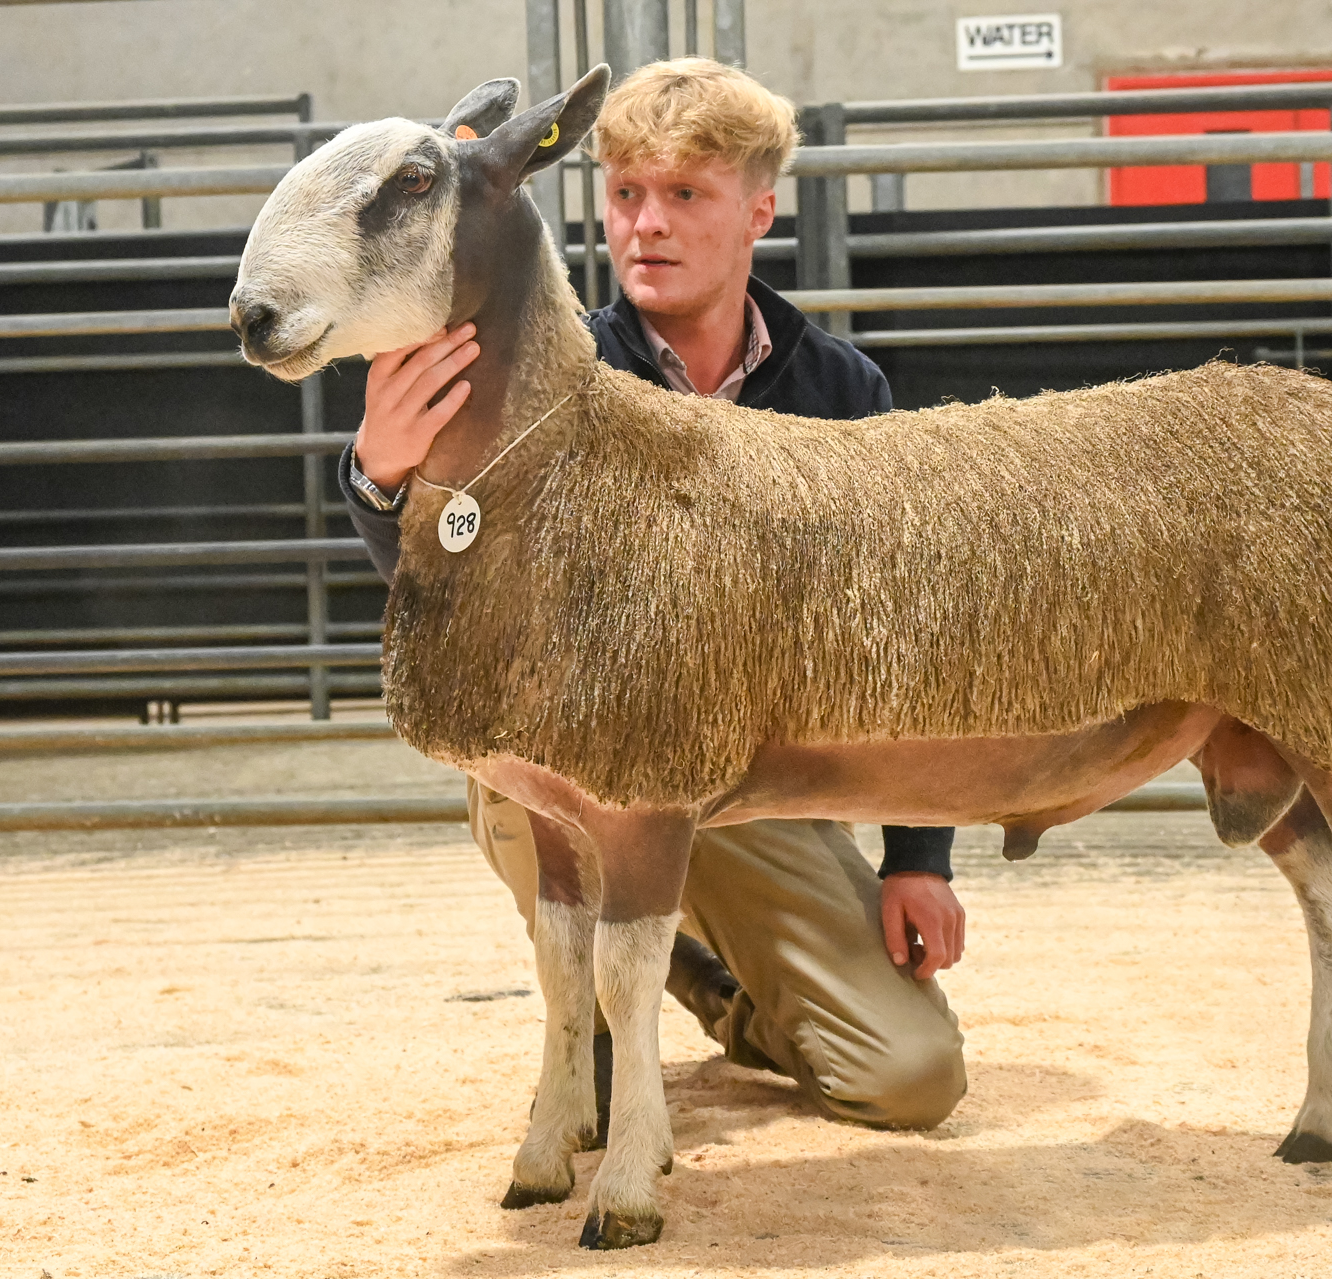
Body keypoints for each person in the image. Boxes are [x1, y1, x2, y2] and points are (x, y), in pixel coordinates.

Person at [337, 58, 968, 1130]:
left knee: (908, 1078)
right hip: (577, 772)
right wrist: (379, 475)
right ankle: (583, 1001)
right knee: (512, 762)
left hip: (758, 783)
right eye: (626, 195)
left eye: (685, 195)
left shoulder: (841, 391)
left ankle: (702, 980)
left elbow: (894, 638)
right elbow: (443, 580)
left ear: (758, 209)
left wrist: (918, 857)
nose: (646, 226)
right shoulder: (542, 371)